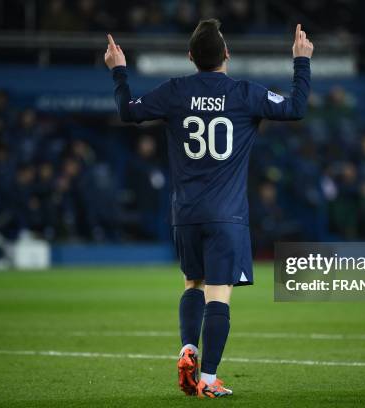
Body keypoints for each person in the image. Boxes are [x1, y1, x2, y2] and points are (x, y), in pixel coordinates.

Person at [104, 19, 313, 398]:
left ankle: (188, 349)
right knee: (219, 295)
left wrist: (119, 70)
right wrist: (301, 61)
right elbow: (296, 108)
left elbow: (128, 112)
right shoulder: (245, 93)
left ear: (190, 57)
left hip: (185, 214)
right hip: (226, 216)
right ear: (227, 55)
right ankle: (209, 379)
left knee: (192, 284)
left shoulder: (175, 92)